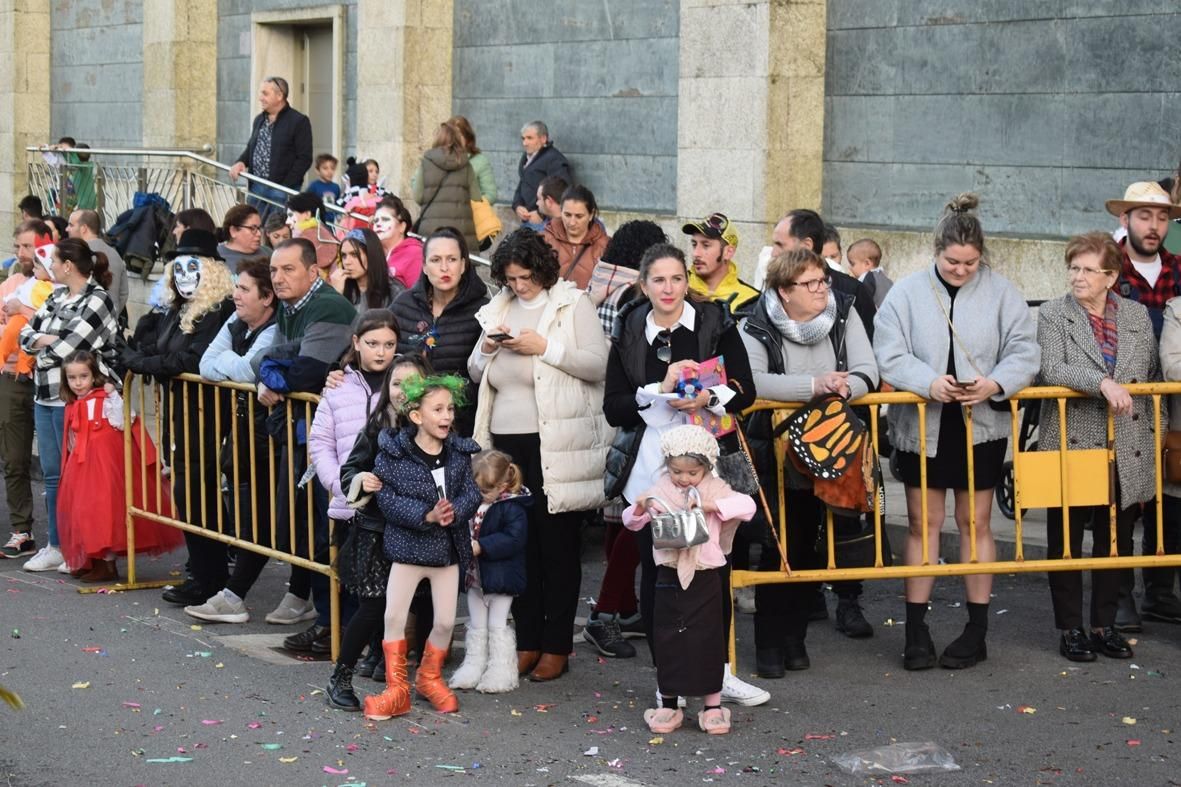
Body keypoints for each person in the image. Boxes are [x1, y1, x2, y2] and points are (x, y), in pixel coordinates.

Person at [874, 193, 1040, 671]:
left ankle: (977, 629)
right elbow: (890, 350)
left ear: (981, 256)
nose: (962, 269)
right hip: (923, 420)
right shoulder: (905, 293)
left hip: (981, 421)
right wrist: (928, 382)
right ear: (936, 251)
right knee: (924, 523)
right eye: (953, 261)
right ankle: (916, 629)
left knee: (976, 523)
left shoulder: (1003, 292)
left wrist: (994, 382)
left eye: (970, 262)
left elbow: (1024, 350)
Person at [602, 242, 761, 707]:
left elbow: (745, 389)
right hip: (651, 474)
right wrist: (660, 389)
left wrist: (709, 398)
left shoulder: (714, 320)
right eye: (658, 280)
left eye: (676, 279)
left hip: (709, 472)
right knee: (658, 577)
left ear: (686, 281)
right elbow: (614, 407)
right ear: (643, 284)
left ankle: (719, 672)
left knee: (714, 573)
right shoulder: (630, 328)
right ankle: (667, 679)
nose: (668, 288)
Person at [468, 228, 611, 681]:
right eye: (510, 278)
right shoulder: (501, 305)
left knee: (557, 548)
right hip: (505, 443)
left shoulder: (572, 303)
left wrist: (543, 347)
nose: (519, 285)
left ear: (543, 270)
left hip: (555, 443)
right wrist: (489, 345)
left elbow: (596, 364)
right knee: (517, 547)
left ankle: (557, 644)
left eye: (525, 276)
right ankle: (527, 639)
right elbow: (474, 370)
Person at [740, 248, 879, 674]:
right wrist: (813, 385)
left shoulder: (844, 311)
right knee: (781, 545)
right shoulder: (754, 322)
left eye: (823, 280)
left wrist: (843, 389)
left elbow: (867, 370)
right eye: (811, 283)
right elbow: (752, 380)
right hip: (778, 449)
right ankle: (768, 645)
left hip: (833, 444)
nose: (823, 289)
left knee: (817, 545)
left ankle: (796, 640)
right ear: (784, 291)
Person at [1037, 232, 1155, 662]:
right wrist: (1102, 383)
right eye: (1073, 267)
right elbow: (1051, 369)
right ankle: (1070, 628)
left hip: (1126, 441)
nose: (1078, 277)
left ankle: (1105, 625)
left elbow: (1152, 377)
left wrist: (1153, 432)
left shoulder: (1138, 317)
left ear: (1110, 276)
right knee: (1064, 539)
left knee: (1117, 537)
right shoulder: (1053, 314)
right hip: (1070, 438)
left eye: (1088, 269)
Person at [771, 207, 878, 622]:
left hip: (843, 428)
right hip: (792, 434)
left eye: (781, 243)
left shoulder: (850, 296)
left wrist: (847, 386)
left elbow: (868, 361)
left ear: (806, 246)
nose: (773, 250)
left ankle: (850, 600)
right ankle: (806, 598)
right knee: (797, 519)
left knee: (848, 517)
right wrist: (813, 385)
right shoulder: (770, 306)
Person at [251, 238, 357, 652]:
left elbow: (306, 372)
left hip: (335, 439)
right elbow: (268, 359)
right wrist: (270, 368)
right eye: (274, 270)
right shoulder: (293, 308)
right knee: (310, 530)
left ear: (313, 271)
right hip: (308, 433)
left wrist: (273, 370)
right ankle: (325, 617)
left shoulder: (327, 307)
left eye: (288, 269)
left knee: (326, 530)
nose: (278, 278)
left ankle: (335, 623)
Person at [119, 230, 235, 602]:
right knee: (187, 492)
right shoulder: (178, 309)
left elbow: (191, 359)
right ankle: (202, 571)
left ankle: (210, 577)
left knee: (197, 492)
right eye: (178, 266)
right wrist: (136, 351)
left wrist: (143, 362)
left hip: (205, 410)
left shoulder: (217, 309)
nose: (184, 274)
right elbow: (158, 347)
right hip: (180, 408)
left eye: (193, 265)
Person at [623, 425, 756, 736]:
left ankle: (712, 705)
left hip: (706, 571)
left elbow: (747, 506)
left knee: (708, 638)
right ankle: (669, 703)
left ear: (707, 466)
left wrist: (710, 505)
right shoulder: (660, 487)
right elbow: (631, 522)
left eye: (692, 472)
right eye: (676, 471)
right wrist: (642, 505)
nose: (683, 478)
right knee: (668, 636)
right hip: (668, 570)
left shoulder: (715, 487)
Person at [363, 374, 481, 721]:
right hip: (408, 549)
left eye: (450, 409)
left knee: (445, 621)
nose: (447, 416)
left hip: (446, 551)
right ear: (416, 416)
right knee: (394, 616)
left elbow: (472, 493)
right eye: (438, 409)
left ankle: (429, 677)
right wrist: (426, 514)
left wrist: (454, 511)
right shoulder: (394, 454)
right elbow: (386, 498)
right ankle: (396, 688)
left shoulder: (459, 454)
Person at [325, 354, 431, 710]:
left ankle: (414, 678)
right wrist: (361, 479)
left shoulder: (438, 426)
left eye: (412, 383)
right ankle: (341, 676)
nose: (403, 391)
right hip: (379, 531)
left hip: (422, 531)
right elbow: (349, 470)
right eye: (396, 383)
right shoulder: (378, 426)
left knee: (425, 605)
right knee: (374, 606)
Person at [183, 258, 284, 624]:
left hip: (271, 438)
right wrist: (237, 363)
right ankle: (234, 594)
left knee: (267, 520)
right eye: (236, 287)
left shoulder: (275, 328)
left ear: (267, 297)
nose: (235, 295)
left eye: (243, 289)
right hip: (244, 438)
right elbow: (207, 366)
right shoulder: (235, 320)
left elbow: (247, 370)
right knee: (253, 518)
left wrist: (238, 365)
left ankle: (238, 595)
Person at [19, 237, 121, 572]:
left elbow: (70, 350)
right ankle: (57, 544)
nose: (50, 266)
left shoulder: (98, 299)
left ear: (67, 265)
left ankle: (81, 546)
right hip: (44, 394)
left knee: (77, 475)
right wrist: (48, 342)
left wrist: (44, 346)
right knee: (51, 474)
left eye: (55, 261)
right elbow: (26, 335)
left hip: (76, 398)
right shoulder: (58, 295)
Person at [1107, 181, 1181, 630]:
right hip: (1121, 398)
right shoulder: (1107, 267)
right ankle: (1117, 594)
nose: (1153, 227)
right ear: (1125, 220)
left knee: (1168, 495)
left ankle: (1160, 590)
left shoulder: (1178, 268)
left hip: (1170, 401)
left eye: (1161, 218)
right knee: (1121, 497)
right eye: (1143, 216)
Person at [56, 350, 181, 581]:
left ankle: (107, 561)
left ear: (94, 376)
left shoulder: (103, 399)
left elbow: (125, 420)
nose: (78, 383)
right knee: (85, 510)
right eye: (72, 378)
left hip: (105, 464)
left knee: (106, 510)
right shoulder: (74, 403)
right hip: (83, 465)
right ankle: (92, 558)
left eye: (83, 376)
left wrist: (114, 397)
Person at [391, 228, 489, 437]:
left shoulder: (483, 311)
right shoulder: (404, 305)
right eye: (435, 260)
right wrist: (338, 368)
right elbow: (380, 347)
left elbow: (484, 377)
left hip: (459, 426)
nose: (444, 267)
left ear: (463, 264)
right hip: (408, 426)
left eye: (452, 259)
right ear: (424, 266)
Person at [448, 449, 530, 694]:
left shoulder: (513, 507)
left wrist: (481, 546)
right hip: (475, 575)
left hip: (501, 575)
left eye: (484, 492)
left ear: (503, 484)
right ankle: (473, 666)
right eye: (476, 491)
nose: (479, 497)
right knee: (477, 624)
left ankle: (501, 671)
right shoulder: (474, 504)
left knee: (497, 624)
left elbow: (514, 539)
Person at [0, 221, 49, 561]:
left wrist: (23, 312)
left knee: (58, 464)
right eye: (18, 246)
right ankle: (22, 531)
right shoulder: (12, 283)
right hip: (13, 379)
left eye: (28, 247)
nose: (21, 253)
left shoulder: (59, 283)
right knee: (15, 459)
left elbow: (55, 320)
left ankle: (69, 536)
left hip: (52, 378)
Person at [228, 76, 313, 221]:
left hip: (281, 191)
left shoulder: (299, 121)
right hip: (256, 188)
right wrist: (241, 162)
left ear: (280, 96)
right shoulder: (259, 119)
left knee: (278, 233)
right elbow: (251, 148)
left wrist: (284, 186)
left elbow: (304, 158)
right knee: (254, 229)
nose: (260, 98)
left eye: (265, 94)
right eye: (261, 93)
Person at [411, 122, 480, 253]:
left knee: (433, 265)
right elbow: (476, 197)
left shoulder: (426, 163)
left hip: (431, 230)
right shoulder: (466, 164)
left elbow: (418, 197)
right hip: (461, 232)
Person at [682, 212, 758, 314]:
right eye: (694, 245)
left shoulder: (752, 300)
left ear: (728, 252)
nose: (696, 253)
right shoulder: (677, 287)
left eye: (706, 245)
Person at [540, 184, 610, 290]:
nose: (572, 222)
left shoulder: (605, 245)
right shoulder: (544, 240)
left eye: (579, 216)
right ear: (561, 211)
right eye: (567, 215)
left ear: (591, 215)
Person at [67, 209, 129, 319]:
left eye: (71, 225)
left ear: (84, 229)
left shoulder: (78, 255)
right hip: (110, 322)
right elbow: (123, 293)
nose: (67, 229)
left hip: (80, 322)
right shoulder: (115, 254)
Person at [512, 121, 572, 230]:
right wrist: (517, 205)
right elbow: (523, 183)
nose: (525, 143)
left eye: (529, 138)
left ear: (543, 139)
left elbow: (562, 190)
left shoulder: (554, 159)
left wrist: (541, 214)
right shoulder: (527, 157)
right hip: (528, 219)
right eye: (523, 138)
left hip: (545, 222)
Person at [335, 228, 400, 314]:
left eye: (354, 254)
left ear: (371, 255)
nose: (347, 262)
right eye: (344, 256)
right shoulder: (341, 287)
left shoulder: (393, 291)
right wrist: (336, 294)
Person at [373, 196, 423, 290]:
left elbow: (418, 295)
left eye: (385, 219)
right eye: (375, 221)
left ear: (402, 227)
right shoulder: (374, 253)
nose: (378, 224)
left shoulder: (415, 253)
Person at [286, 191, 340, 275]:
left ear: (307, 214)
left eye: (291, 215)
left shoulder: (307, 239)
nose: (287, 222)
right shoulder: (326, 235)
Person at [448, 116, 497, 204]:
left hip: (469, 214)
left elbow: (491, 194)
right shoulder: (437, 157)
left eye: (460, 135)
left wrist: (471, 205)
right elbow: (417, 185)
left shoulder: (480, 161)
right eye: (452, 135)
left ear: (468, 137)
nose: (455, 139)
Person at [847, 238, 893, 308]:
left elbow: (861, 303)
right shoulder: (887, 280)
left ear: (867, 263)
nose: (850, 267)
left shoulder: (869, 279)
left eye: (852, 264)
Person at [217, 205, 265, 271]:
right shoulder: (216, 257)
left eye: (259, 228)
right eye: (252, 228)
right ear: (233, 231)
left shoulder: (268, 253)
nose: (259, 234)